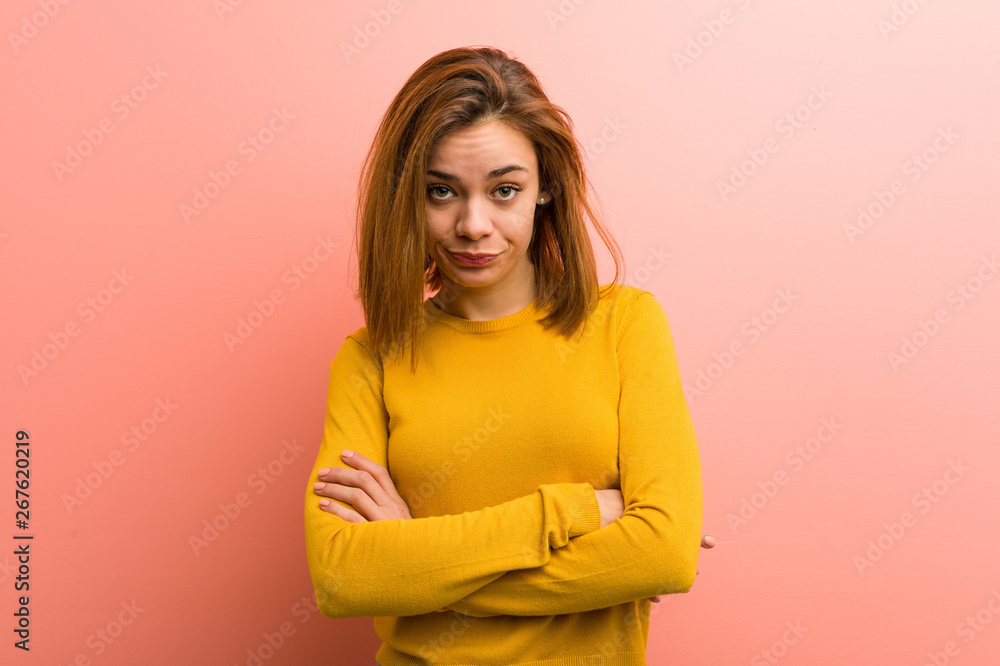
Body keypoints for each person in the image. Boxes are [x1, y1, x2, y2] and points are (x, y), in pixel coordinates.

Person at [303, 45, 708, 666]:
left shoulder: (626, 325)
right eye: (441, 191)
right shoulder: (370, 359)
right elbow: (343, 578)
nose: (473, 224)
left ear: (545, 188)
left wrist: (420, 564)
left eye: (505, 190)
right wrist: (578, 511)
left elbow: (665, 554)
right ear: (407, 196)